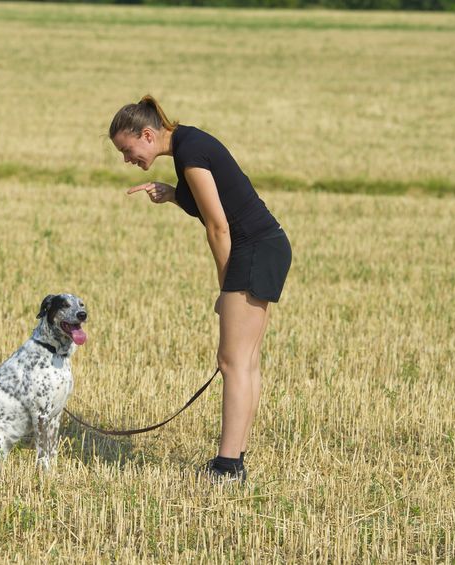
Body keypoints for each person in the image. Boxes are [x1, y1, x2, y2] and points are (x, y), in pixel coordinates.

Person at [109, 95, 292, 484]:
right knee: (245, 361)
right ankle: (235, 459)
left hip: (253, 249)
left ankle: (226, 467)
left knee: (232, 362)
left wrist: (226, 287)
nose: (127, 160)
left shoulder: (190, 152)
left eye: (127, 150)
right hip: (264, 245)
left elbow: (218, 226)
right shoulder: (188, 145)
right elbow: (221, 201)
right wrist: (174, 194)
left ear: (146, 134)